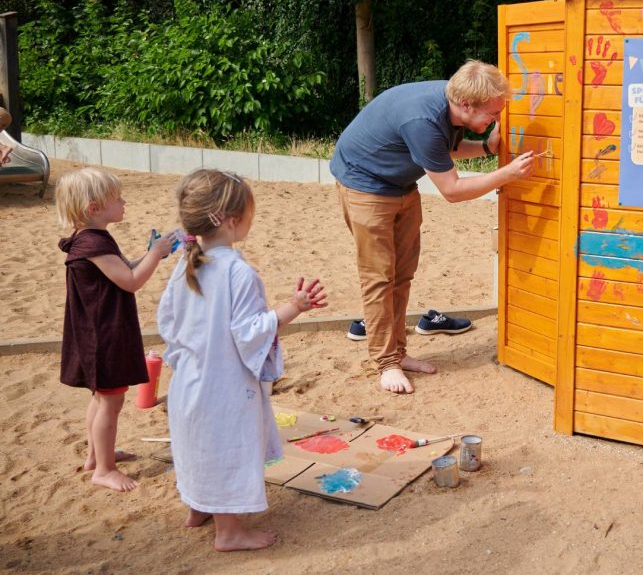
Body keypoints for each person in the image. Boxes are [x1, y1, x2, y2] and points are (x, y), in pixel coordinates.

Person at [330, 60, 534, 394]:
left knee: (402, 273)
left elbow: (447, 149)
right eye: (493, 114)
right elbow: (452, 191)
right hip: (364, 185)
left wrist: (486, 147)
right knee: (380, 277)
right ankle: (386, 364)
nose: (496, 119)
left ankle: (397, 353)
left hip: (400, 184)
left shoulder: (452, 103)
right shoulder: (423, 119)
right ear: (466, 104)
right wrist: (506, 174)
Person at [157, 169, 327, 551]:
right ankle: (229, 531)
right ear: (233, 221)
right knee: (225, 450)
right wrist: (294, 307)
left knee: (194, 445)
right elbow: (250, 332)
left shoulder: (186, 263)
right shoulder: (238, 272)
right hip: (224, 385)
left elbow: (167, 322)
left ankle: (198, 507)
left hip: (189, 380)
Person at [56, 167, 175, 492]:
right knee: (111, 402)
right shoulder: (94, 243)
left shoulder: (89, 239)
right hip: (103, 335)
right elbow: (131, 281)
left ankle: (97, 456)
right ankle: (104, 470)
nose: (123, 202)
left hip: (96, 331)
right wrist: (154, 254)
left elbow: (122, 270)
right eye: (117, 198)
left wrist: (152, 255)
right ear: (94, 208)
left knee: (100, 398)